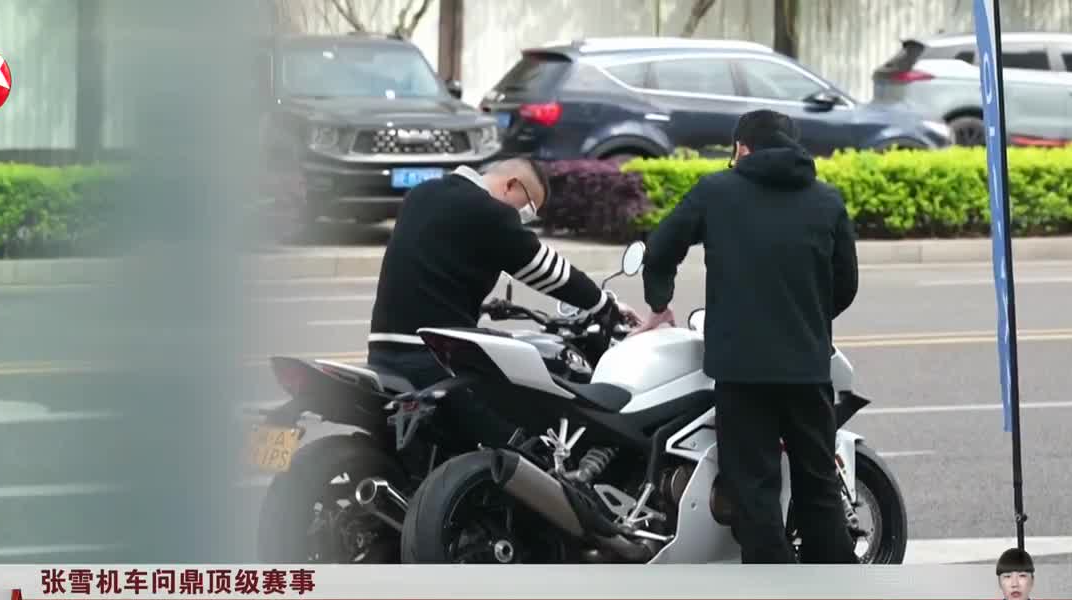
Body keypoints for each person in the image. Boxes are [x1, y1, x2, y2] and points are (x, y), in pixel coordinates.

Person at [632, 109, 859, 564]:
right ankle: (836, 586)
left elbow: (660, 249)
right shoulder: (826, 200)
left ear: (741, 148)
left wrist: (659, 302)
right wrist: (809, 319)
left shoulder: (716, 191)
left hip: (741, 372)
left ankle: (774, 588)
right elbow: (846, 284)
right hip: (807, 368)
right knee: (817, 483)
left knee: (754, 489)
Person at [367, 157, 635, 448]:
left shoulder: (422, 193)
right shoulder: (488, 211)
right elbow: (549, 272)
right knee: (517, 442)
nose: (524, 218)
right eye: (529, 208)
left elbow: (432, 267)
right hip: (433, 357)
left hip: (382, 353)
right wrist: (604, 306)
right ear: (511, 185)